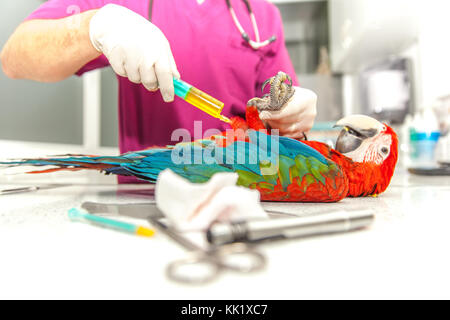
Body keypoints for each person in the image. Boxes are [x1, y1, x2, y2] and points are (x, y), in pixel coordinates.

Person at [0, 0, 317, 183]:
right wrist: (94, 27)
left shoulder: (261, 15)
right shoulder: (126, 4)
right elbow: (15, 58)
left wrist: (294, 117)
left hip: (242, 192)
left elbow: (280, 127)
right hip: (146, 197)